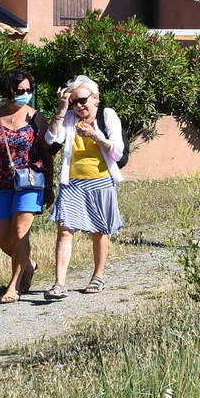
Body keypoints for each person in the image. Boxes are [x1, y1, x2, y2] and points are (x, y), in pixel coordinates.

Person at [0, 69, 54, 304]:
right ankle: (28, 264)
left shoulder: (37, 118)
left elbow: (47, 155)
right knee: (2, 239)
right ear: (8, 91)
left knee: (20, 233)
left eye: (29, 90)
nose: (26, 94)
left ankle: (13, 286)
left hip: (30, 182)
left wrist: (50, 186)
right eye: (20, 90)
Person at [44, 76, 125, 299]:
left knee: (100, 230)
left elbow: (118, 152)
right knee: (64, 229)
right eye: (74, 102)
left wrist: (96, 136)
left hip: (101, 180)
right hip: (72, 182)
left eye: (82, 100)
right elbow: (50, 140)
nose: (79, 106)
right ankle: (59, 283)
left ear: (95, 97)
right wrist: (62, 110)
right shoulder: (69, 118)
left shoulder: (107, 116)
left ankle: (98, 276)